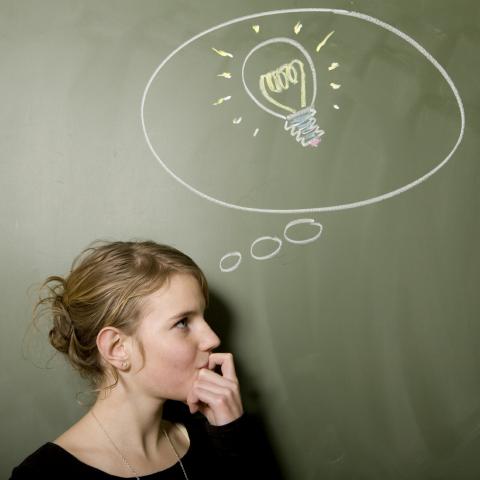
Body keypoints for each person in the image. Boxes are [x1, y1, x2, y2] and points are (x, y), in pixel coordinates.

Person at [10, 240, 256, 479]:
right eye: (182, 322)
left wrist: (232, 436)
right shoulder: (43, 475)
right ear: (117, 348)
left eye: (203, 317)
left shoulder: (216, 438)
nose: (212, 339)